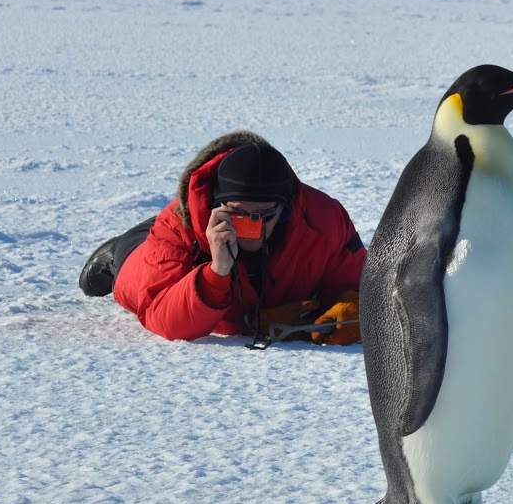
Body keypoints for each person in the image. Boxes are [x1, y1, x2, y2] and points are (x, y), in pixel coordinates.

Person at [79, 131, 366, 345]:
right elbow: (165, 320)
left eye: (265, 215)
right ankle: (117, 249)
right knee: (129, 266)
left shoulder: (324, 218)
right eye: (239, 214)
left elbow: (360, 284)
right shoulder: (177, 226)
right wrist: (216, 272)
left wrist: (354, 306)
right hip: (144, 256)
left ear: (286, 206)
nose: (253, 226)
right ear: (217, 206)